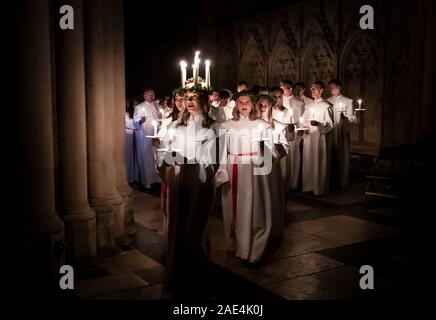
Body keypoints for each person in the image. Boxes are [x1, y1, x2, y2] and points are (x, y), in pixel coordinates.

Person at [157, 88, 219, 298]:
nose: (189, 102)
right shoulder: (176, 125)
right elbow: (164, 150)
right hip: (177, 182)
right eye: (186, 98)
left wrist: (193, 164)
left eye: (194, 98)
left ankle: (197, 281)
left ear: (203, 100)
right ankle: (177, 279)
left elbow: (212, 160)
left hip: (199, 186)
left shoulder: (213, 128)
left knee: (193, 233)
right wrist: (167, 160)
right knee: (176, 231)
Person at [217, 91, 279, 264]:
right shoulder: (226, 125)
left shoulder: (263, 125)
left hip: (253, 172)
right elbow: (221, 152)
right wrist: (222, 171)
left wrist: (263, 151)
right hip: (232, 168)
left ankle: (252, 248)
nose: (244, 105)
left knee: (253, 209)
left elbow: (271, 155)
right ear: (236, 105)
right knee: (232, 209)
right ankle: (234, 245)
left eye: (247, 102)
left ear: (253, 105)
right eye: (240, 102)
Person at [301, 81, 334, 196]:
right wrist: (304, 127)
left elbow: (330, 124)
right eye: (311, 89)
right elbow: (304, 120)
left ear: (321, 90)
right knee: (308, 160)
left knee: (319, 161)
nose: (312, 91)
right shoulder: (308, 106)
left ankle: (319, 187)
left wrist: (319, 124)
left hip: (320, 138)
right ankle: (308, 186)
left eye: (315, 89)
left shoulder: (327, 106)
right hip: (309, 137)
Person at [327, 79, 358, 189]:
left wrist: (345, 117)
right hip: (331, 132)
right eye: (329, 87)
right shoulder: (327, 101)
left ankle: (343, 181)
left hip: (342, 132)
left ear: (339, 87)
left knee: (342, 154)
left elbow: (353, 119)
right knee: (331, 155)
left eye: (333, 87)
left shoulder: (348, 101)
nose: (330, 89)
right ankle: (331, 179)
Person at [133, 88, 161, 189]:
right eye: (149, 95)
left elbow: (159, 117)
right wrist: (140, 120)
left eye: (153, 94)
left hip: (156, 134)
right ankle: (147, 181)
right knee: (146, 157)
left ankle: (157, 178)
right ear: (144, 96)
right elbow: (135, 122)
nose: (152, 96)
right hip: (144, 136)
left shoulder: (157, 106)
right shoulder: (140, 107)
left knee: (156, 156)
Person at [125, 98, 141, 184]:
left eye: (137, 104)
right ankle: (129, 177)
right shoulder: (126, 114)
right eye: (134, 104)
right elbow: (128, 125)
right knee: (129, 156)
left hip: (137, 136)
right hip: (129, 136)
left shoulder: (139, 115)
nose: (136, 106)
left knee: (137, 156)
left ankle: (136, 177)